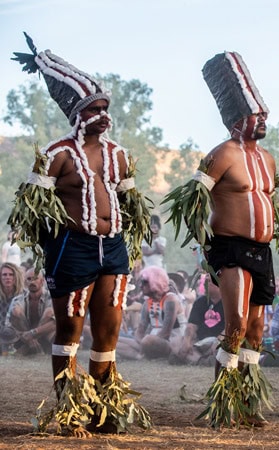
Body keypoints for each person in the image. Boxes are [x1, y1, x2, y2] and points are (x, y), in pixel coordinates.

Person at [10, 33, 151, 436]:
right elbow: (32, 209)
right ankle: (70, 409)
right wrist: (47, 250)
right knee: (70, 330)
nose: (103, 115)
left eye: (105, 107)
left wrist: (133, 239)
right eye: (95, 108)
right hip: (72, 248)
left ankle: (103, 411)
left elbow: (130, 202)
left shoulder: (119, 154)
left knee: (108, 330)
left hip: (115, 248)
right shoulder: (57, 154)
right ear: (77, 112)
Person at [166, 51, 275, 428]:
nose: (263, 119)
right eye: (256, 114)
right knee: (236, 326)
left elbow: (265, 201)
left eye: (264, 113)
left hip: (262, 251)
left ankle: (247, 404)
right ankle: (221, 404)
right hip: (229, 248)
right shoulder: (223, 153)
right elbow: (193, 200)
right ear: (236, 120)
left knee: (257, 330)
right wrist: (203, 248)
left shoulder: (268, 159)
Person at [117, 266, 183, 360]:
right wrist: (142, 342)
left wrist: (145, 343)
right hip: (149, 342)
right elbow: (140, 331)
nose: (140, 286)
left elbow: (165, 333)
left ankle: (143, 353)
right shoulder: (147, 303)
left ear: (155, 282)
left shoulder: (170, 300)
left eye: (144, 283)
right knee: (111, 341)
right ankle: (140, 357)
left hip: (172, 342)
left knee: (148, 340)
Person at [170, 276, 224, 366]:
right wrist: (186, 341)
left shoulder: (230, 303)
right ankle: (203, 361)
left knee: (225, 349)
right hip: (199, 342)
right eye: (204, 281)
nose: (204, 284)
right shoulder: (200, 301)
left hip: (218, 342)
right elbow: (192, 325)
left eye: (209, 282)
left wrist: (219, 342)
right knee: (176, 342)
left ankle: (195, 360)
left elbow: (232, 328)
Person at [6, 268, 55, 355]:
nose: (32, 282)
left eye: (35, 278)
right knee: (16, 311)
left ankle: (35, 346)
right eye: (29, 279)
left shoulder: (52, 297)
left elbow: (57, 323)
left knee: (49, 313)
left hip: (46, 335)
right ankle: (31, 346)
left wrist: (33, 334)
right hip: (24, 337)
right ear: (25, 282)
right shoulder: (18, 299)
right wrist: (28, 338)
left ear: (42, 281)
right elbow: (9, 324)